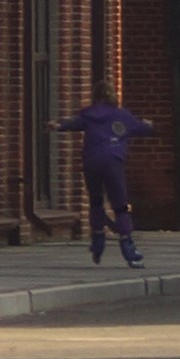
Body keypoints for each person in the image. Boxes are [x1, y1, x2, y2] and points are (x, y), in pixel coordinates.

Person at [58, 94, 155, 266]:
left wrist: (58, 125)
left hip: (91, 162)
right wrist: (148, 125)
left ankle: (97, 238)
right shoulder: (121, 115)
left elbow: (73, 124)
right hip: (112, 161)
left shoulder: (88, 115)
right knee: (120, 205)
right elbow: (142, 128)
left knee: (96, 201)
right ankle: (128, 246)